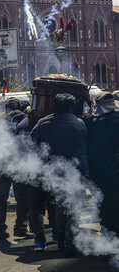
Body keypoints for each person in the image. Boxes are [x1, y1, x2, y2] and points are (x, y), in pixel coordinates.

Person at [30, 93, 88, 254]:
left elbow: (31, 143)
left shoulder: (43, 122)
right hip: (77, 172)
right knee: (75, 208)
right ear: (71, 107)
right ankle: (69, 244)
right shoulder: (80, 123)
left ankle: (61, 241)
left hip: (52, 171)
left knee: (60, 207)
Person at [0, 98, 31, 240]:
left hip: (0, 162)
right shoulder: (26, 119)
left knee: (0, 199)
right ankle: (20, 227)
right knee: (22, 198)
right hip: (19, 163)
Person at [85, 92, 119, 236]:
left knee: (103, 205)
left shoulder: (92, 124)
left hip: (99, 173)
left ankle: (108, 236)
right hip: (114, 172)